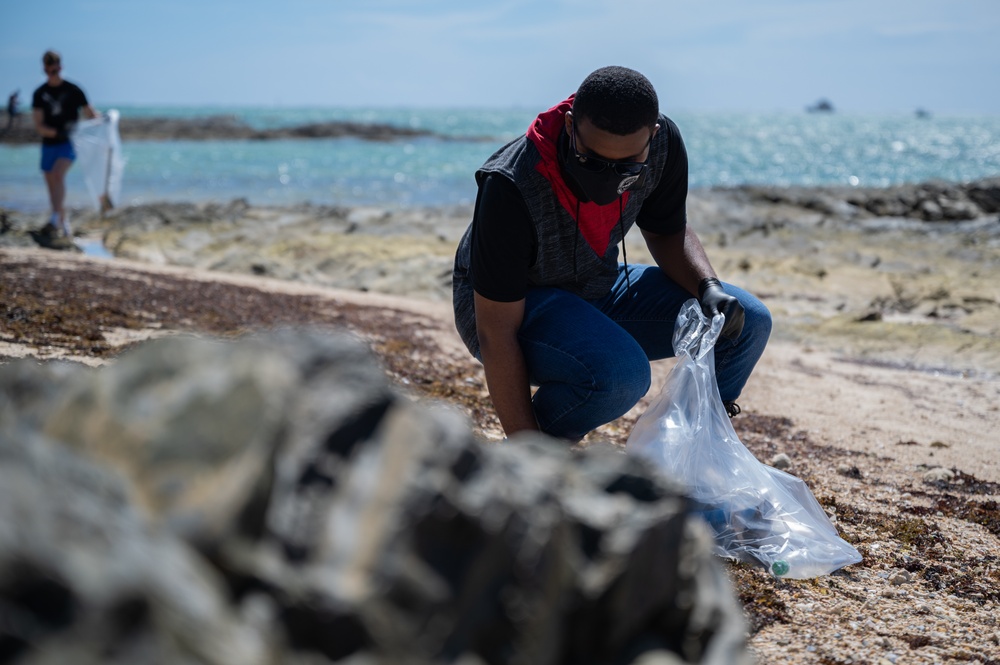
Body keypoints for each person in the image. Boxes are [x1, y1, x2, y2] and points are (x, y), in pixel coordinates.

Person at [452, 66, 772, 441]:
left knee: (746, 321)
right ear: (571, 127)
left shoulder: (663, 143)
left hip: (593, 283)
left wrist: (708, 286)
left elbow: (666, 230)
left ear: (652, 135)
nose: (608, 176)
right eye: (592, 161)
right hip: (507, 307)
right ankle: (542, 452)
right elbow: (496, 333)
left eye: (626, 166)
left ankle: (689, 453)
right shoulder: (511, 184)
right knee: (621, 375)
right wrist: (527, 459)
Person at [31, 50, 98, 238]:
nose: (53, 75)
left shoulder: (74, 90)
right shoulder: (40, 93)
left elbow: (90, 114)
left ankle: (55, 219)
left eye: (56, 70)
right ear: (44, 70)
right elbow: (39, 125)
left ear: (61, 68)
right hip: (49, 143)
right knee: (51, 181)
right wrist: (56, 132)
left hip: (70, 142)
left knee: (58, 174)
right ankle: (61, 217)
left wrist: (105, 119)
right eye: (49, 72)